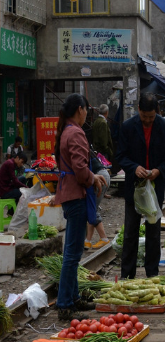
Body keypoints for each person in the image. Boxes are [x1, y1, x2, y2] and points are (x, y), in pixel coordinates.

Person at [53, 94, 106, 320]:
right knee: (73, 254)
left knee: (72, 251)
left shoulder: (66, 130)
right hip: (76, 196)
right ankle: (65, 303)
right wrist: (92, 178)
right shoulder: (75, 132)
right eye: (86, 110)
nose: (87, 115)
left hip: (69, 194)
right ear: (80, 110)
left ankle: (73, 298)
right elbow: (80, 168)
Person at [116, 93, 165, 279]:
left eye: (151, 117)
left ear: (156, 113)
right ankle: (127, 276)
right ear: (139, 110)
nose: (148, 120)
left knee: (153, 234)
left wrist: (159, 170)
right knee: (130, 233)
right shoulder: (127, 127)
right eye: (144, 117)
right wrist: (134, 168)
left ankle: (152, 275)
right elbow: (120, 156)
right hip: (134, 187)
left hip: (155, 187)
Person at [84, 167, 111, 249]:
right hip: (103, 175)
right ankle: (87, 241)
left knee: (92, 209)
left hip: (98, 177)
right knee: (92, 209)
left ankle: (104, 238)